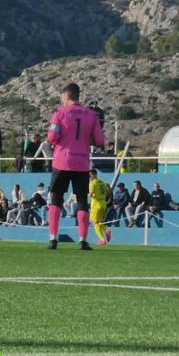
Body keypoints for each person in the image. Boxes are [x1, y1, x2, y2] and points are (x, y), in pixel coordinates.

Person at [45, 83, 105, 250]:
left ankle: (53, 239)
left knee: (56, 199)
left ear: (66, 96)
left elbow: (52, 136)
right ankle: (83, 240)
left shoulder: (59, 113)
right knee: (82, 201)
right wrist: (86, 140)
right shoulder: (92, 115)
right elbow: (100, 141)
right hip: (82, 162)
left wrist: (59, 141)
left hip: (61, 161)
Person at [88, 169, 112, 245]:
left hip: (96, 204)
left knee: (95, 223)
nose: (90, 176)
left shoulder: (92, 183)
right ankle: (106, 230)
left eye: (91, 174)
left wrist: (90, 195)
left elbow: (91, 194)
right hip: (103, 204)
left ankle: (102, 239)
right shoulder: (102, 182)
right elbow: (108, 191)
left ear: (94, 174)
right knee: (98, 222)